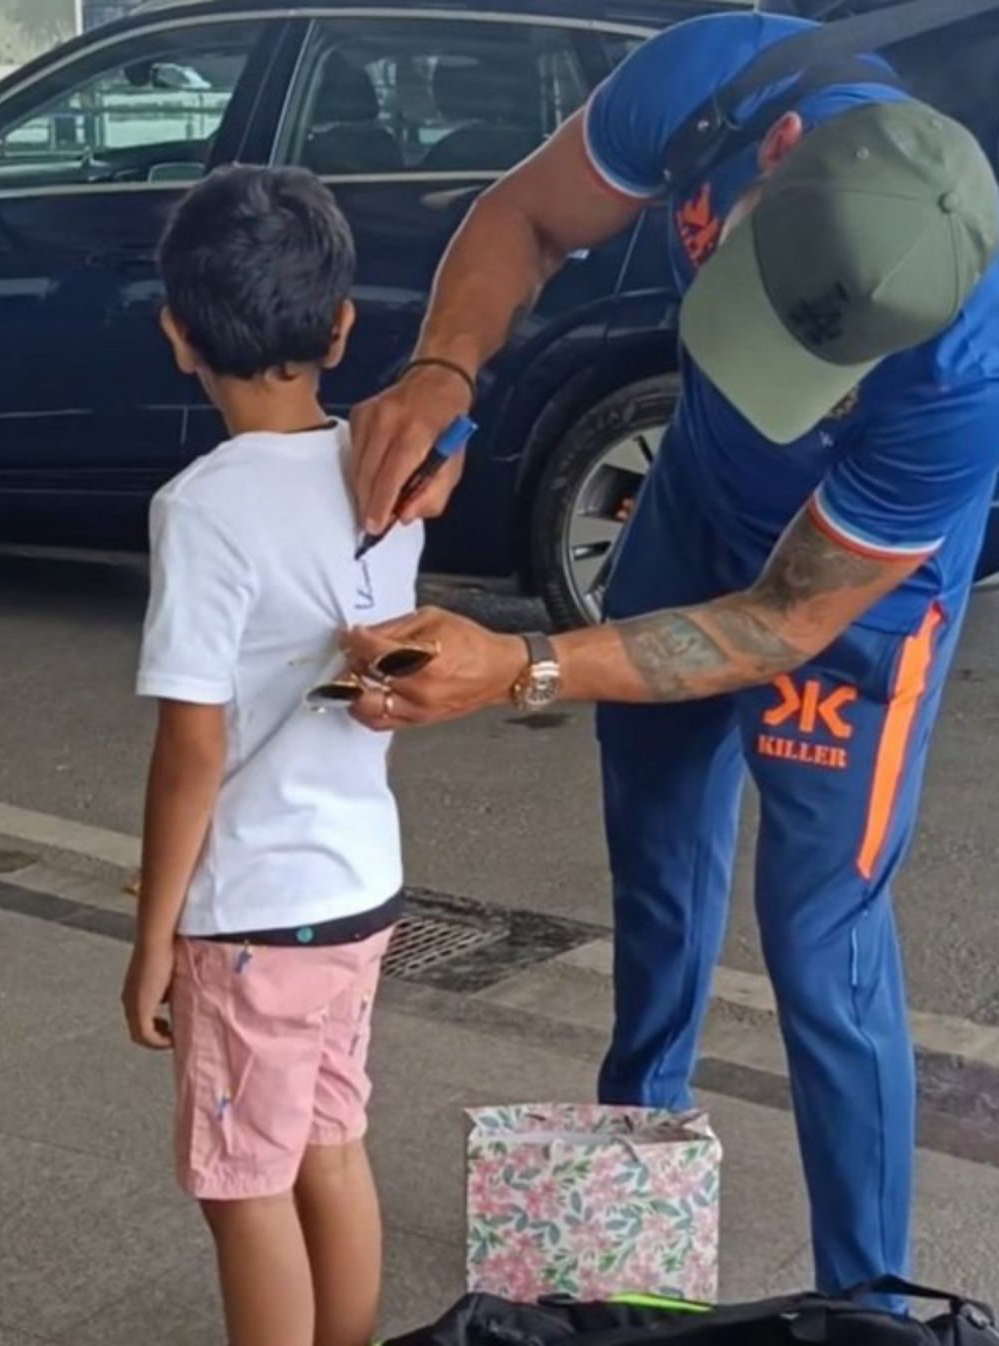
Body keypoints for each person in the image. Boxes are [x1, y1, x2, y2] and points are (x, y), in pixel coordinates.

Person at [336, 10, 999, 1293]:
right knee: (654, 842)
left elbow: (779, 624)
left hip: (845, 588)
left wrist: (522, 666)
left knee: (819, 931)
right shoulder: (720, 80)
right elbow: (524, 217)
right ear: (782, 151)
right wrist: (444, 370)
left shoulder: (967, 378)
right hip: (693, 498)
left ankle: (869, 1299)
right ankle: (638, 1171)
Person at [124, 164, 412, 1346]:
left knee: (242, 1183)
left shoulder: (203, 504)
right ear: (341, 325)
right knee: (329, 1144)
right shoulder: (386, 473)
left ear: (177, 336)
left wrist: (149, 939)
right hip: (359, 889)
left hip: (251, 914)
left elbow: (193, 742)